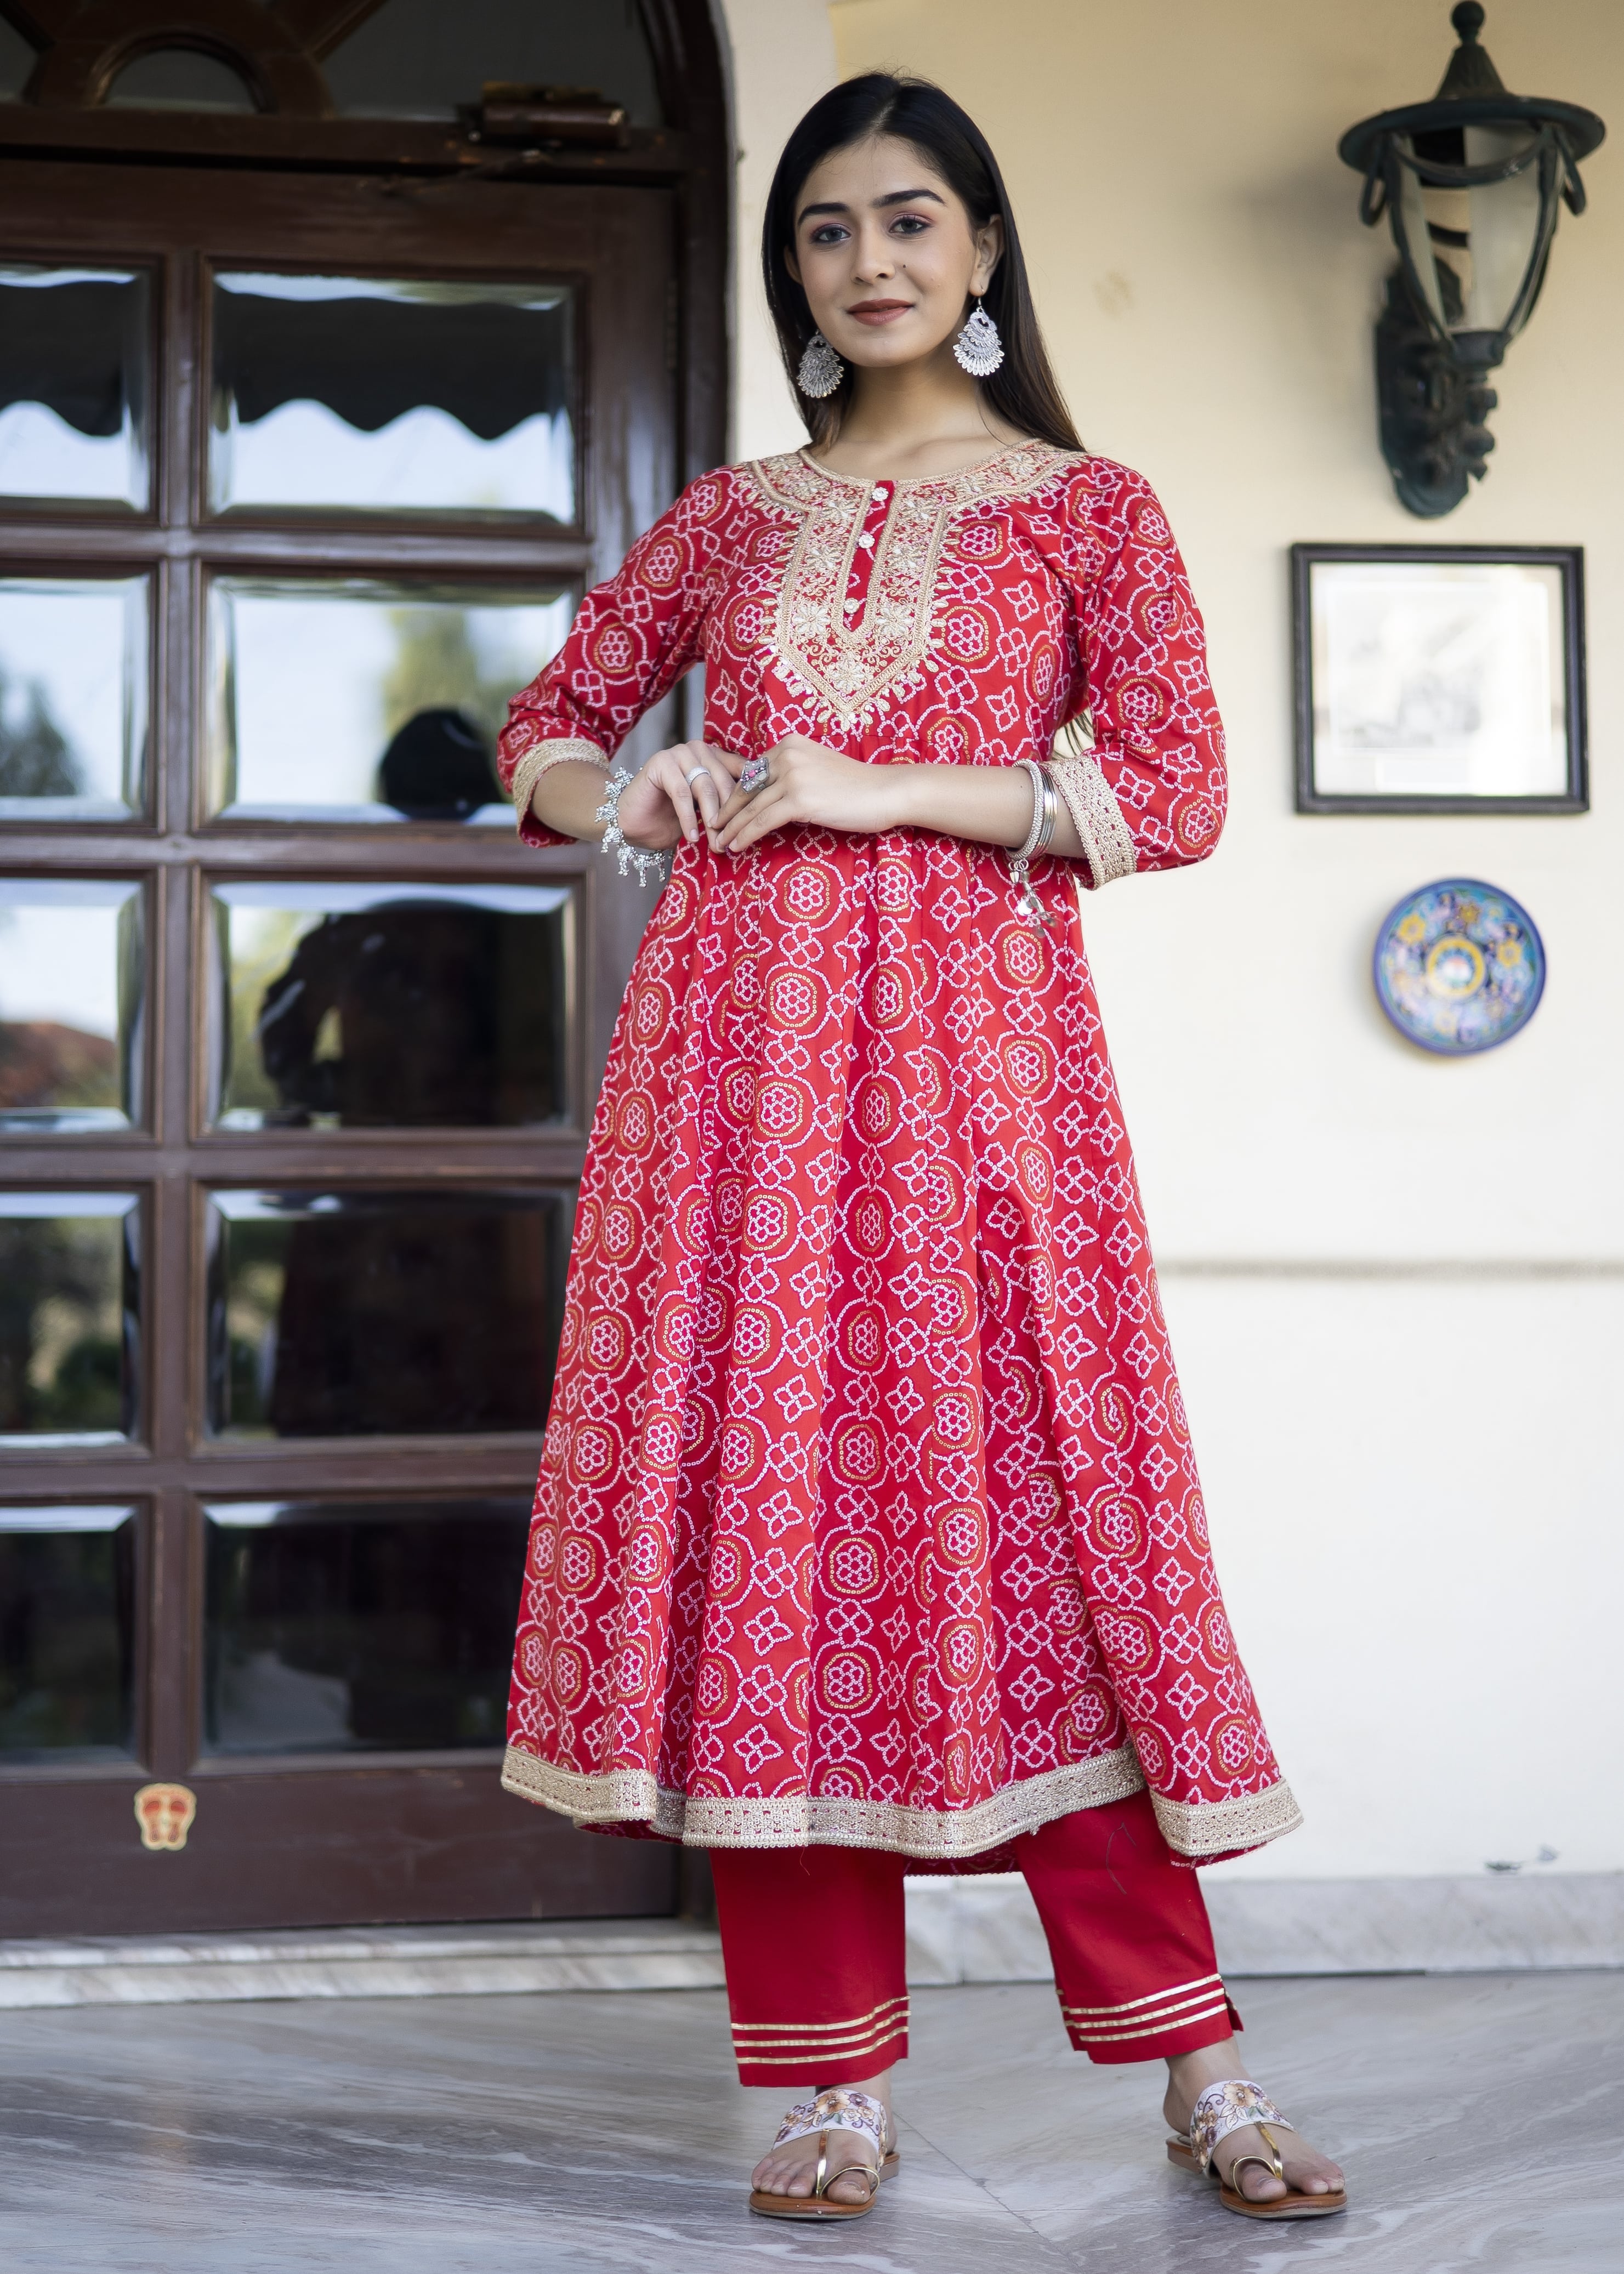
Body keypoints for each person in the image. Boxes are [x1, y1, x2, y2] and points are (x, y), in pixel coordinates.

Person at [497, 72, 1347, 2228]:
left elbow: (1172, 789)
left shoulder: (1090, 511)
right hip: (741, 1090)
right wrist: (646, 790)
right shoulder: (729, 517)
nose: (867, 261)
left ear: (979, 254)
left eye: (908, 221)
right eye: (826, 232)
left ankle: (1195, 2063)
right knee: (788, 1552)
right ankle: (830, 2091)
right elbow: (550, 728)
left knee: (1046, 1551)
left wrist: (883, 792)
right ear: (797, 275)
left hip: (988, 1082)